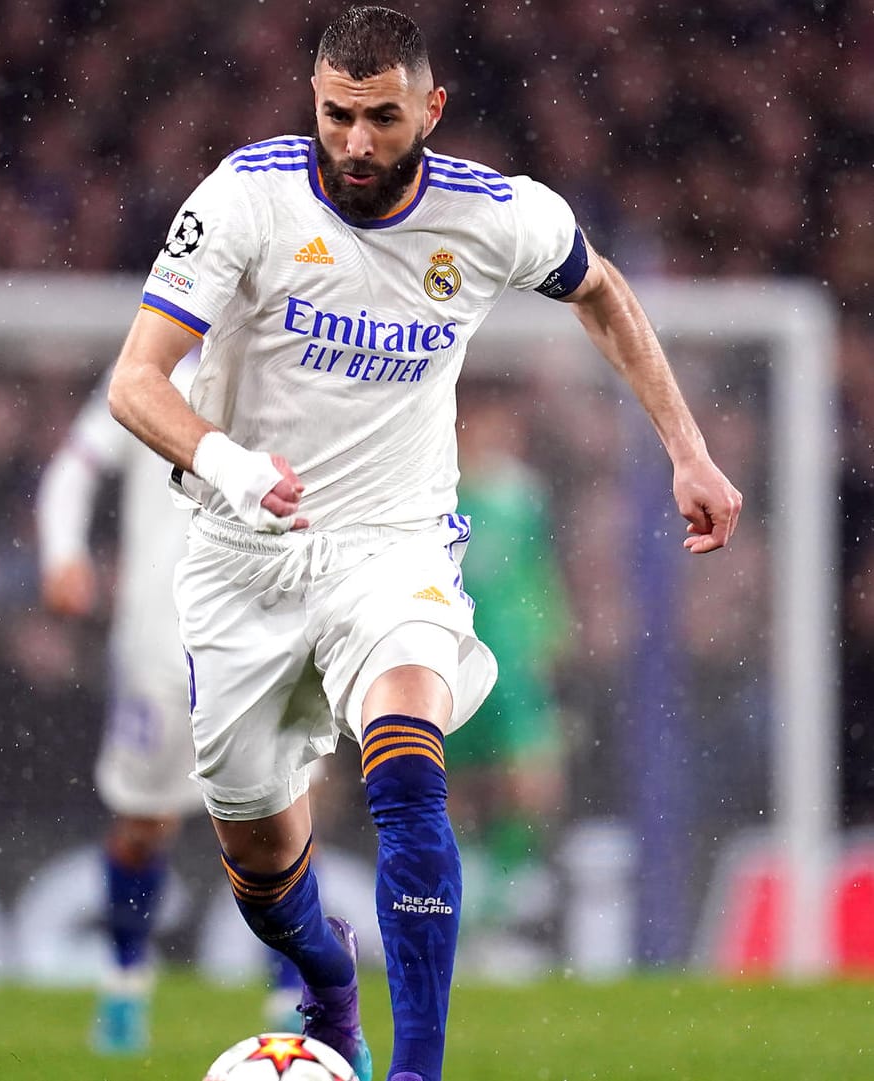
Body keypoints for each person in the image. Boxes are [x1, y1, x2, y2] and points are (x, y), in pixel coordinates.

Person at [105, 9, 742, 1081]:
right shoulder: (244, 197)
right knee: (261, 871)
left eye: (381, 117)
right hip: (239, 559)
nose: (354, 140)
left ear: (429, 110)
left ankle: (418, 1069)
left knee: (406, 764)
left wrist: (687, 450)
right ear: (313, 99)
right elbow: (135, 383)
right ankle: (328, 975)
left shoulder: (492, 215)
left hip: (393, 548)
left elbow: (603, 292)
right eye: (335, 114)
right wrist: (232, 464)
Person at [37, 355, 308, 1052]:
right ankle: (124, 982)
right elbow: (72, 468)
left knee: (276, 824)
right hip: (159, 643)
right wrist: (63, 553)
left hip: (265, 636)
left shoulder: (295, 363)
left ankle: (290, 998)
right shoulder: (154, 372)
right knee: (142, 823)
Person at [450, 381, 568, 973]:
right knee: (452, 788)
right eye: (484, 425)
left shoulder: (526, 496)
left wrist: (552, 633)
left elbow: (537, 571)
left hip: (515, 661)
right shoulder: (439, 492)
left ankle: (496, 901)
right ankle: (465, 915)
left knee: (532, 781)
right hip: (456, 655)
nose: (497, 438)